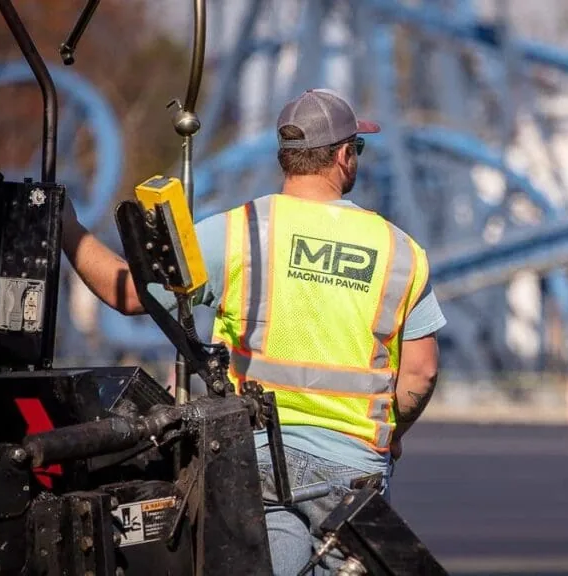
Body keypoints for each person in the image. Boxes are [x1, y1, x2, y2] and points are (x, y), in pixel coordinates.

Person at [60, 88, 446, 574]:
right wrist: (393, 434)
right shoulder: (400, 250)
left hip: (256, 460)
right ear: (345, 157)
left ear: (287, 158)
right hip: (353, 471)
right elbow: (421, 373)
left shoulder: (239, 231)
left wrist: (67, 227)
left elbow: (128, 295)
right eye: (358, 149)